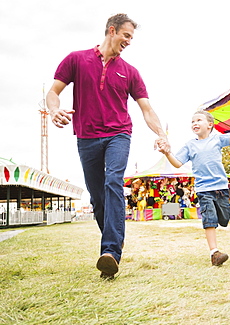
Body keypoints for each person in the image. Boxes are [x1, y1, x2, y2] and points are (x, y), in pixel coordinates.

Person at [46, 13, 170, 279]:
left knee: (113, 181)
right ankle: (113, 244)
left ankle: (111, 251)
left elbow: (146, 109)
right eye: (126, 35)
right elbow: (53, 92)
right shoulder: (76, 59)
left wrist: (161, 134)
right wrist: (54, 110)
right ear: (111, 31)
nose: (129, 41)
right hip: (87, 137)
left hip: (118, 135)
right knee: (98, 197)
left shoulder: (130, 72)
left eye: (131, 38)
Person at [159, 107, 230, 266]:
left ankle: (220, 222)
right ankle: (214, 253)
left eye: (199, 120)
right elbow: (177, 164)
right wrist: (167, 153)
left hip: (221, 188)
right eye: (192, 121)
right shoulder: (190, 146)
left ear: (210, 125)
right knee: (209, 218)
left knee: (225, 218)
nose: (195, 123)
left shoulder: (217, 139)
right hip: (203, 189)